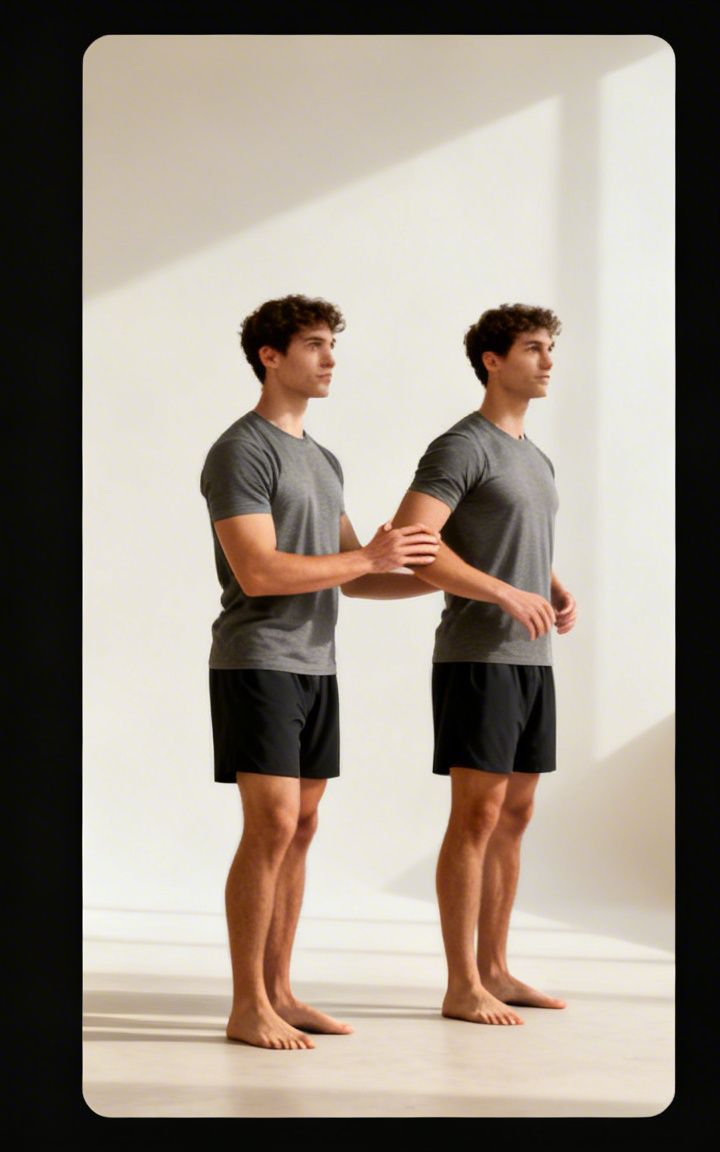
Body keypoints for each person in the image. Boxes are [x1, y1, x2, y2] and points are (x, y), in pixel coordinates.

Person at [203, 295, 443, 1050]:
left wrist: (449, 582)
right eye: (314, 344)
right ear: (270, 356)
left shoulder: (324, 459)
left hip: (317, 665)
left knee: (302, 828)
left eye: (332, 343)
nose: (330, 358)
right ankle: (247, 1004)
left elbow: (355, 577)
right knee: (272, 823)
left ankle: (279, 990)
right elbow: (259, 569)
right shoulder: (241, 451)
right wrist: (368, 555)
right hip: (257, 660)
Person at [389, 303, 577, 1025]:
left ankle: (495, 968)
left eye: (550, 348)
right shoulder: (461, 446)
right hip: (478, 657)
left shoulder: (535, 456)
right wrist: (502, 590)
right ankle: (461, 983)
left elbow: (508, 536)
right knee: (476, 815)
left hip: (533, 658)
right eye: (533, 348)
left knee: (516, 814)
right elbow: (415, 542)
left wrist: (548, 582)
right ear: (493, 361)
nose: (548, 361)